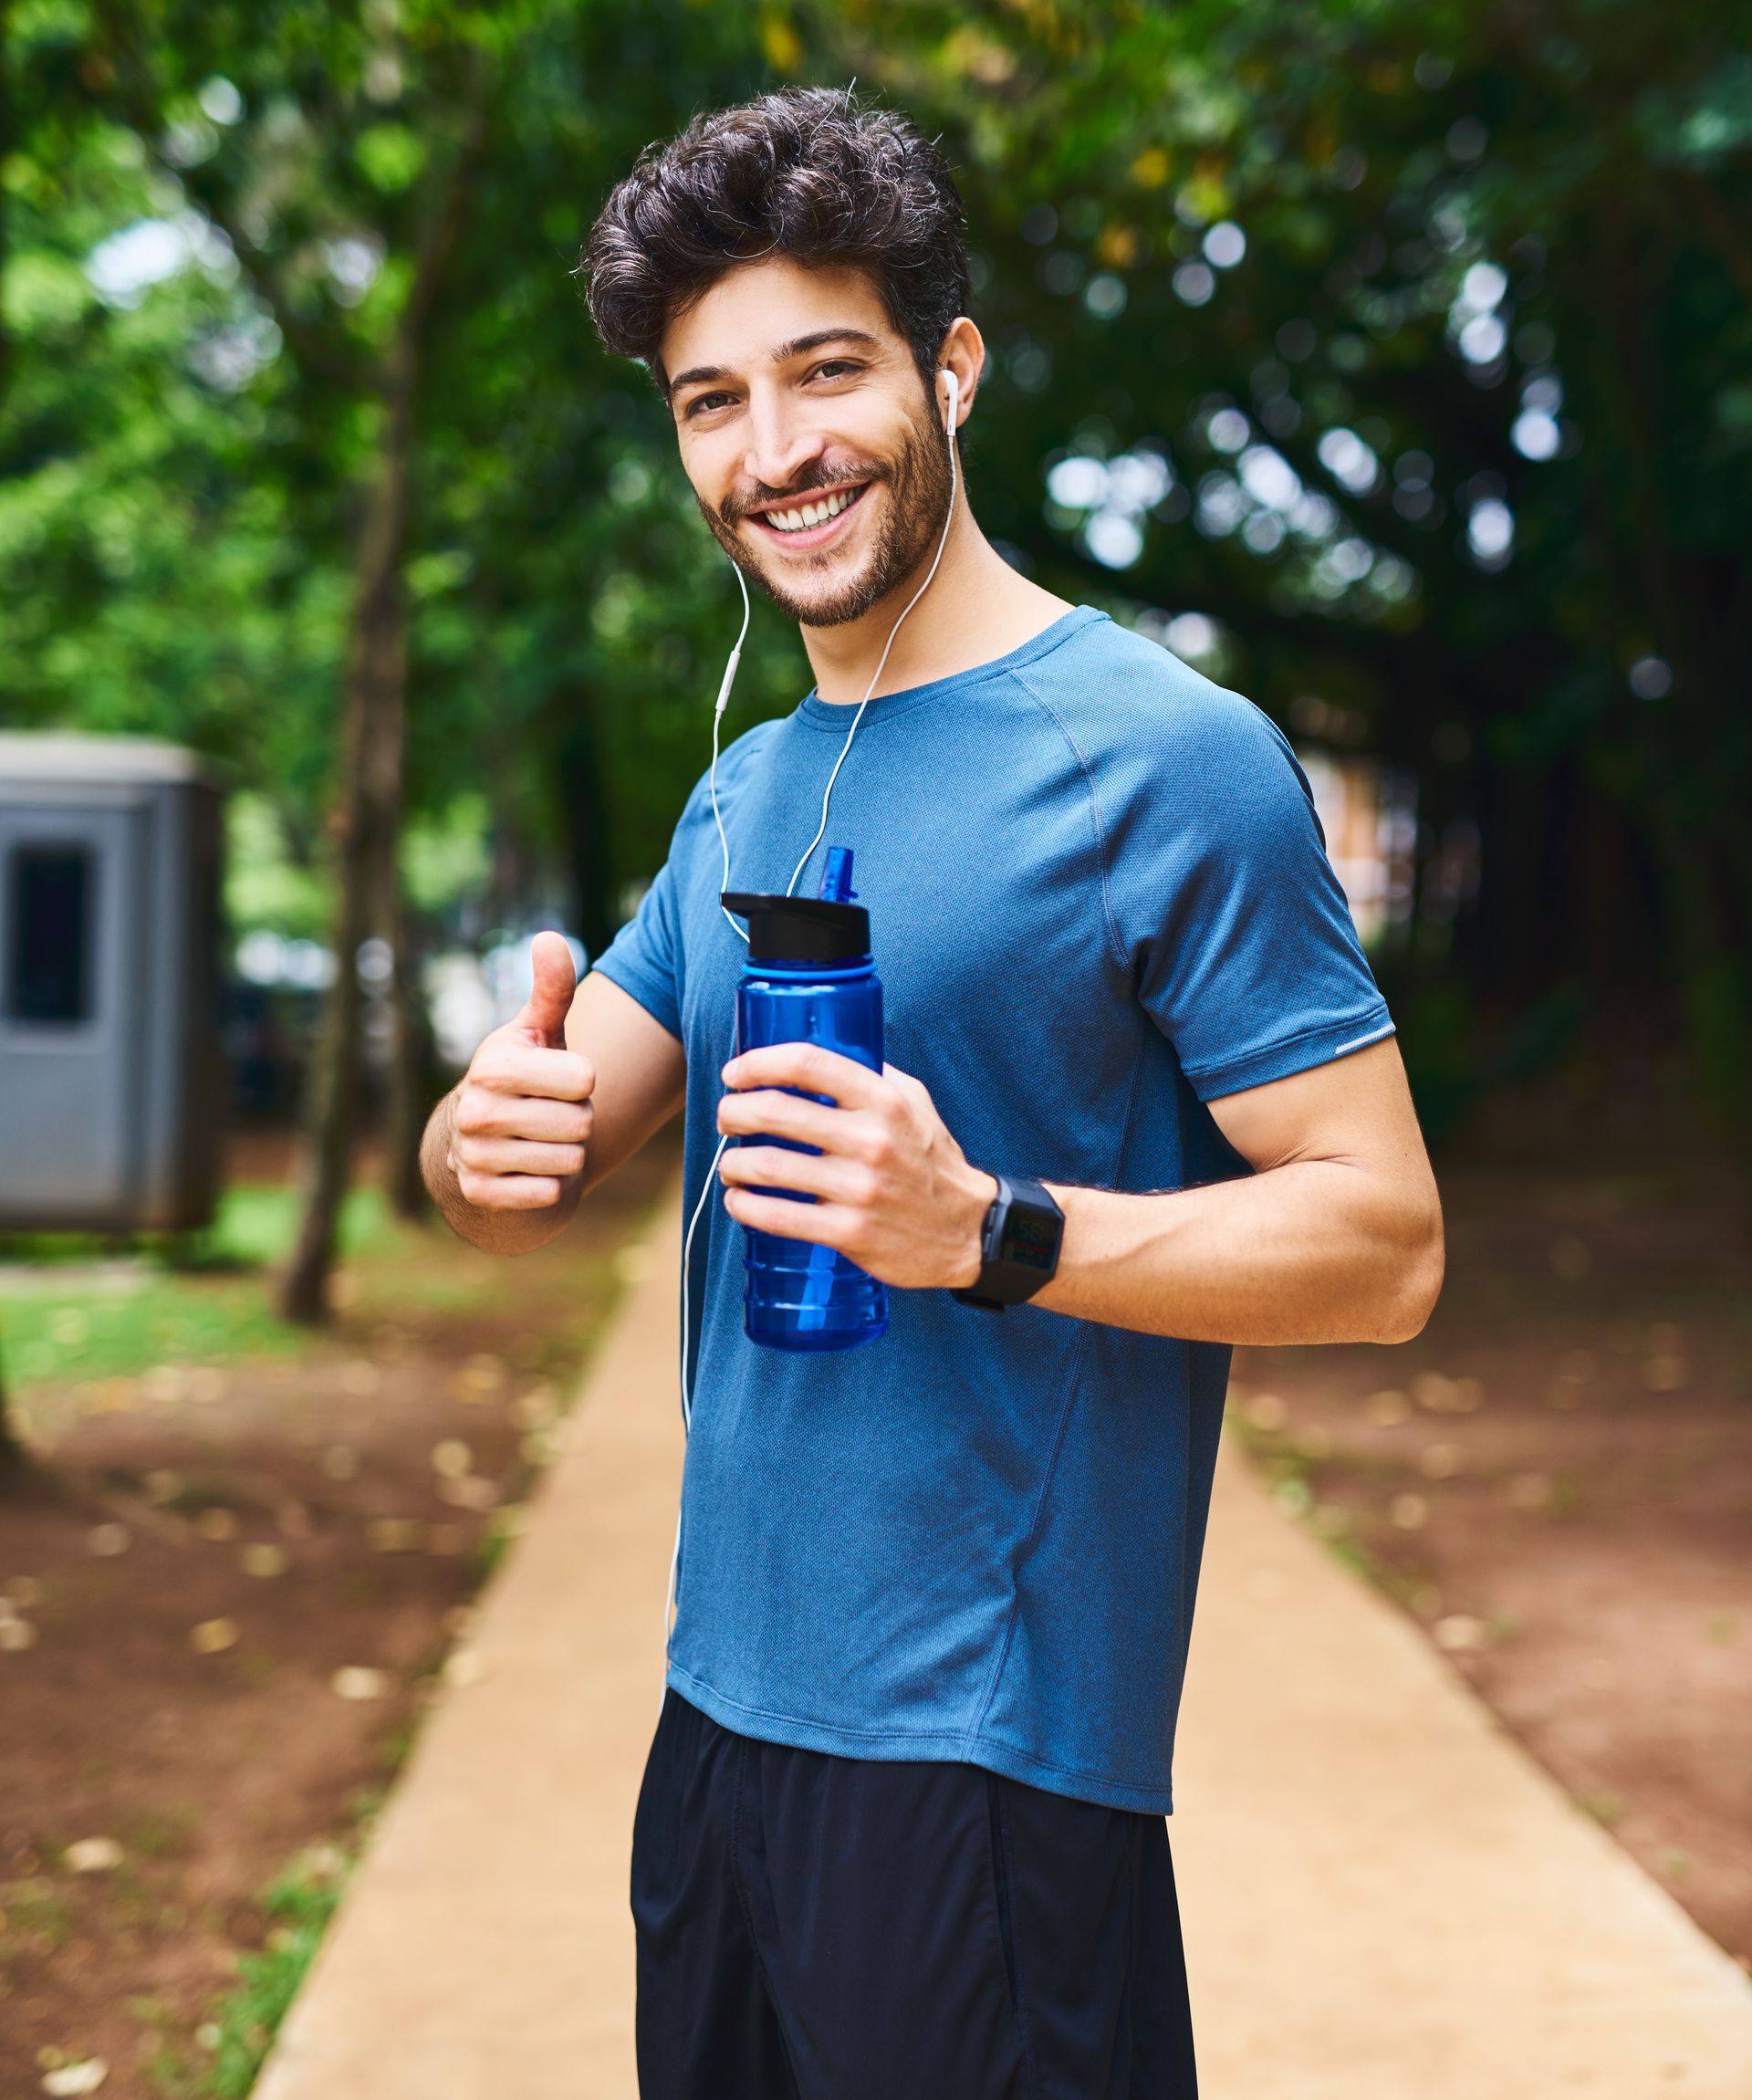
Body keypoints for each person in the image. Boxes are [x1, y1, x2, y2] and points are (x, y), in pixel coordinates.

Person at [420, 85, 1444, 2100]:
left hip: (985, 1764)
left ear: (949, 370)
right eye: (712, 401)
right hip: (715, 1730)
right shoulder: (745, 783)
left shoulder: (1167, 754)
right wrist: (480, 1139)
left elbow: (1387, 1240)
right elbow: (549, 1124)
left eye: (824, 372)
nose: (773, 449)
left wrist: (987, 1229)